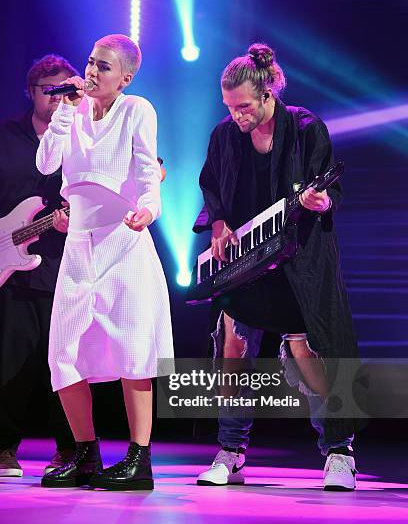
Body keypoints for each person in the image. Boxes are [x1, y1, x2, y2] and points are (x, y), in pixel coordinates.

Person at [192, 43, 359, 491]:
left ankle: (339, 453)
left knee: (309, 355)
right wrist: (220, 224)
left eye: (243, 106)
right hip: (246, 260)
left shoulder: (306, 129)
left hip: (299, 260)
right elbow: (211, 185)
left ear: (268, 94)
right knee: (233, 349)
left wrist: (320, 201)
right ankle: (230, 449)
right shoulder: (224, 135)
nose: (236, 116)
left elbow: (329, 191)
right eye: (229, 107)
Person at [37, 34, 174, 491]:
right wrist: (62, 114)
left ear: (126, 77)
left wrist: (149, 211)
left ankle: (139, 458)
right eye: (91, 62)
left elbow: (147, 173)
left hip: (123, 241)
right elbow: (45, 164)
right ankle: (85, 453)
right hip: (79, 246)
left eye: (105, 67)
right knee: (64, 351)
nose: (92, 72)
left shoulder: (138, 110)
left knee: (133, 349)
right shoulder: (71, 112)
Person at [0, 54, 78, 478]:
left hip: (62, 266)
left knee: (64, 362)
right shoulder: (6, 135)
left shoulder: (79, 137)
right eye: (47, 90)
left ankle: (69, 450)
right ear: (30, 92)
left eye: (63, 89)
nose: (55, 98)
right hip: (9, 270)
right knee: (11, 361)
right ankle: (2, 448)